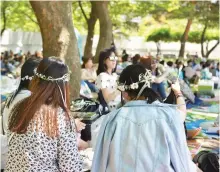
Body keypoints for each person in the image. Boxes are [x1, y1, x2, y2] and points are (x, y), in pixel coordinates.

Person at [92, 64, 198, 172]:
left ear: (124, 93)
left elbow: (99, 163)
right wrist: (178, 92)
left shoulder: (111, 119)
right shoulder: (168, 115)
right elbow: (181, 161)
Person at [5, 57, 82, 171]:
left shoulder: (18, 106)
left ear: (36, 80)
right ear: (62, 85)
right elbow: (70, 166)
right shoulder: (60, 116)